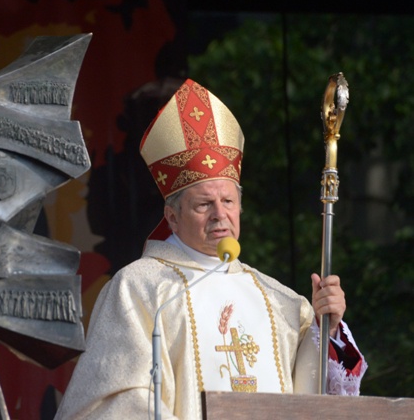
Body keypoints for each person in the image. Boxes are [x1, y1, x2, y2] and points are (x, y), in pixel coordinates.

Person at [54, 79, 367, 419]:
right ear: (172, 218)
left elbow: (315, 401)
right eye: (204, 204)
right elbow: (113, 403)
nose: (220, 214)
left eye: (229, 201)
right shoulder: (140, 290)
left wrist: (328, 327)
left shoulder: (281, 301)